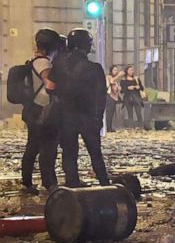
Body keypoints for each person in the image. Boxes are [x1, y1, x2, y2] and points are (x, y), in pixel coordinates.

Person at [49, 28, 110, 187]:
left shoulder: (58, 66)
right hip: (88, 116)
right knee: (95, 153)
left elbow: (50, 88)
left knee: (69, 153)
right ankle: (105, 183)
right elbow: (101, 96)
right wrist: (99, 118)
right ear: (87, 46)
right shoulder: (94, 69)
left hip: (66, 115)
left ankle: (72, 183)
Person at [20, 29, 61, 195]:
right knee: (46, 147)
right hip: (42, 110)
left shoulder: (33, 60)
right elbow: (50, 85)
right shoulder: (43, 63)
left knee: (34, 146)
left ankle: (28, 181)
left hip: (34, 109)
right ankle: (47, 182)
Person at [119, 65, 145, 129]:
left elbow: (142, 88)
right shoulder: (123, 80)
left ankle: (141, 126)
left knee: (138, 112)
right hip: (128, 98)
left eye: (132, 70)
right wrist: (127, 88)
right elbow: (122, 90)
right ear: (127, 71)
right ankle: (131, 127)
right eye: (130, 70)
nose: (132, 71)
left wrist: (138, 87)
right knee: (130, 114)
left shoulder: (136, 79)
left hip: (136, 97)